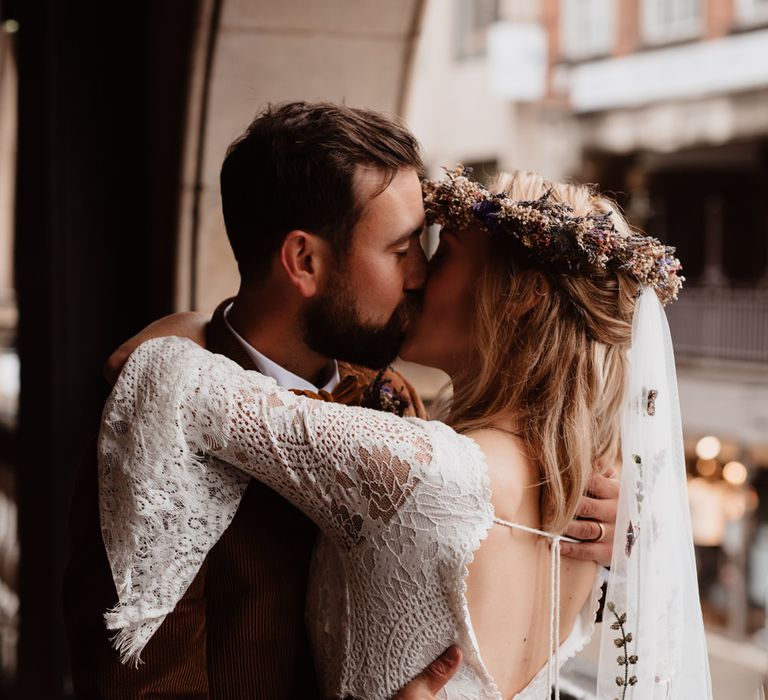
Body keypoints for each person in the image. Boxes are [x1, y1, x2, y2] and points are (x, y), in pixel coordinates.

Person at [65, 103, 615, 699]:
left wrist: (599, 529)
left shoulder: (397, 403)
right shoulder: (148, 418)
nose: (421, 274)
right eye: (402, 248)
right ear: (304, 261)